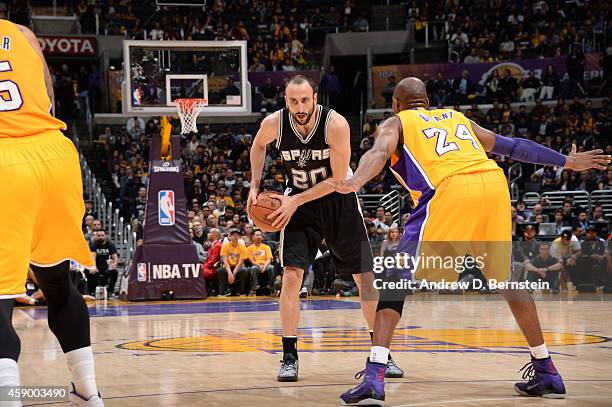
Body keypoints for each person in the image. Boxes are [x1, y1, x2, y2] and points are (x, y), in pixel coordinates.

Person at [329, 77, 609, 405]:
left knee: (394, 277)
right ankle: (546, 368)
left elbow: (378, 152)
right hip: (492, 184)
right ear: (427, 100)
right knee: (507, 279)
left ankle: (375, 375)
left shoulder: (396, 122)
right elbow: (514, 146)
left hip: (449, 190)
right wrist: (567, 161)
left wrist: (356, 179)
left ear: (396, 104)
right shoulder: (456, 117)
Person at [248, 74, 402, 382]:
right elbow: (258, 146)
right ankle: (289, 355)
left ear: (315, 98)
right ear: (286, 101)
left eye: (305, 100)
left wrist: (295, 201)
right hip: (299, 207)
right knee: (291, 276)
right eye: (293, 101)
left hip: (338, 201)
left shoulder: (336, 124)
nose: (300, 106)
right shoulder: (273, 124)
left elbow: (337, 180)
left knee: (364, 277)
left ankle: (381, 354)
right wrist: (254, 186)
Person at [0, 21, 103, 405]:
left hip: (4, 162)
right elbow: (47, 101)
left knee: (0, 296)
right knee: (57, 282)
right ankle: (88, 393)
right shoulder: (22, 34)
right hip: (54, 153)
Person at [247, 230, 275, 295]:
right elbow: (251, 260)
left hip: (266, 264)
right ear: (252, 237)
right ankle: (254, 288)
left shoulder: (266, 247)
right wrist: (258, 265)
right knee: (254, 268)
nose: (259, 237)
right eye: (257, 235)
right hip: (256, 265)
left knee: (271, 268)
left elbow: (269, 259)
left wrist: (264, 266)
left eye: (260, 235)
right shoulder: (249, 248)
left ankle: (272, 288)